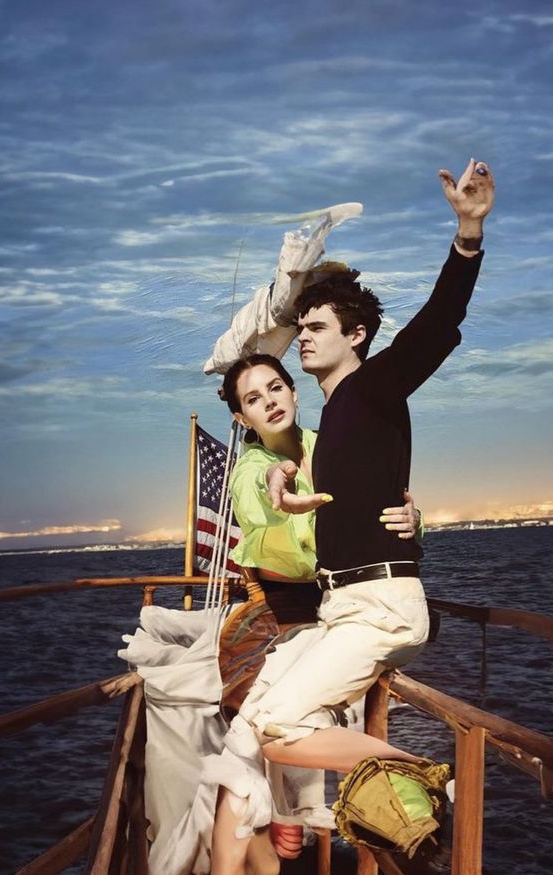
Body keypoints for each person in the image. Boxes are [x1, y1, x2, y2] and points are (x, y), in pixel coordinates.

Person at [211, 158, 494, 872]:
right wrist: (287, 480)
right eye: (299, 327)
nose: (301, 337)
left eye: (316, 327)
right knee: (249, 724)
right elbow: (330, 495)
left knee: (278, 724)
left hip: (379, 608)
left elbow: (438, 323)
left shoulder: (371, 388)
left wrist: (467, 234)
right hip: (346, 607)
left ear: (357, 334)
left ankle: (427, 776)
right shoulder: (332, 422)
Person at [217, 353, 420, 863]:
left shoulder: (326, 444)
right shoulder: (252, 468)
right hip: (274, 619)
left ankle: (293, 820)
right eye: (253, 400)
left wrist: (414, 518)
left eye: (276, 388)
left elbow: (378, 511)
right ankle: (255, 847)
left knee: (270, 732)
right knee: (245, 746)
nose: (270, 402)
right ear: (243, 418)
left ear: (293, 391)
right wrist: (277, 493)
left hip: (336, 608)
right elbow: (257, 497)